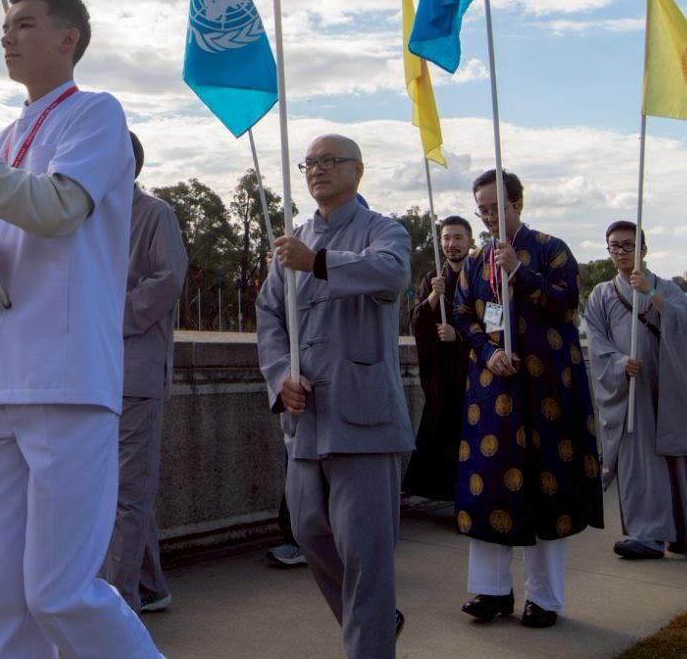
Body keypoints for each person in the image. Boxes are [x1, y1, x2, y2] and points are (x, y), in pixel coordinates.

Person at [0, 0, 161, 659]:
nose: (7, 36)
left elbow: (58, 210)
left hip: (67, 379)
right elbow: (1, 257)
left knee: (59, 591)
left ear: (68, 38)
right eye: (5, 26)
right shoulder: (2, 140)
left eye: (24, 24)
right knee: (1, 594)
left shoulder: (96, 114)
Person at [257, 134, 414, 657]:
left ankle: (368, 645)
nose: (317, 170)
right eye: (310, 163)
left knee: (366, 553)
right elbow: (269, 316)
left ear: (358, 170)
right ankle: (375, 623)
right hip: (307, 419)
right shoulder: (292, 242)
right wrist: (281, 376)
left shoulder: (383, 230)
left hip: (363, 416)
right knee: (309, 533)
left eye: (330, 161)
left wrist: (318, 262)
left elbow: (392, 273)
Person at [452, 169, 603, 630]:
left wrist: (520, 271)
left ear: (518, 203)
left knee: (548, 485)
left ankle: (544, 598)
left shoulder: (551, 248)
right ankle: (492, 590)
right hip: (493, 389)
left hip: (546, 387)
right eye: (482, 209)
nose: (488, 217)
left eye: (496, 207)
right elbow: (462, 313)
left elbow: (567, 301)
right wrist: (489, 352)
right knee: (489, 482)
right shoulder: (476, 261)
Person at [584, 225, 687, 560]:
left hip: (669, 382)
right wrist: (618, 363)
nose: (621, 252)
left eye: (628, 245)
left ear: (643, 249)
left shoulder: (666, 287)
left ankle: (681, 528)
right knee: (638, 459)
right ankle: (648, 534)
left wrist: (652, 293)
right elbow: (596, 341)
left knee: (677, 454)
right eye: (614, 246)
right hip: (632, 389)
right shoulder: (601, 294)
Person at [102, 134, 187, 613]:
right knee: (116, 489)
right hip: (95, 371)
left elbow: (168, 279)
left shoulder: (156, 214)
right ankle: (151, 586)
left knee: (126, 493)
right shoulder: (91, 216)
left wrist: (105, 318)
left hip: (136, 372)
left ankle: (119, 604)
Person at [402, 214, 475, 504]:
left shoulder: (481, 276)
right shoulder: (434, 277)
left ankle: (472, 497)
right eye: (446, 238)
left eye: (458, 237)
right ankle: (446, 497)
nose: (451, 244)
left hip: (471, 369)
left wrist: (459, 336)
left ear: (469, 241)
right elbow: (417, 322)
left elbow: (495, 322)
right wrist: (434, 294)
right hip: (441, 373)